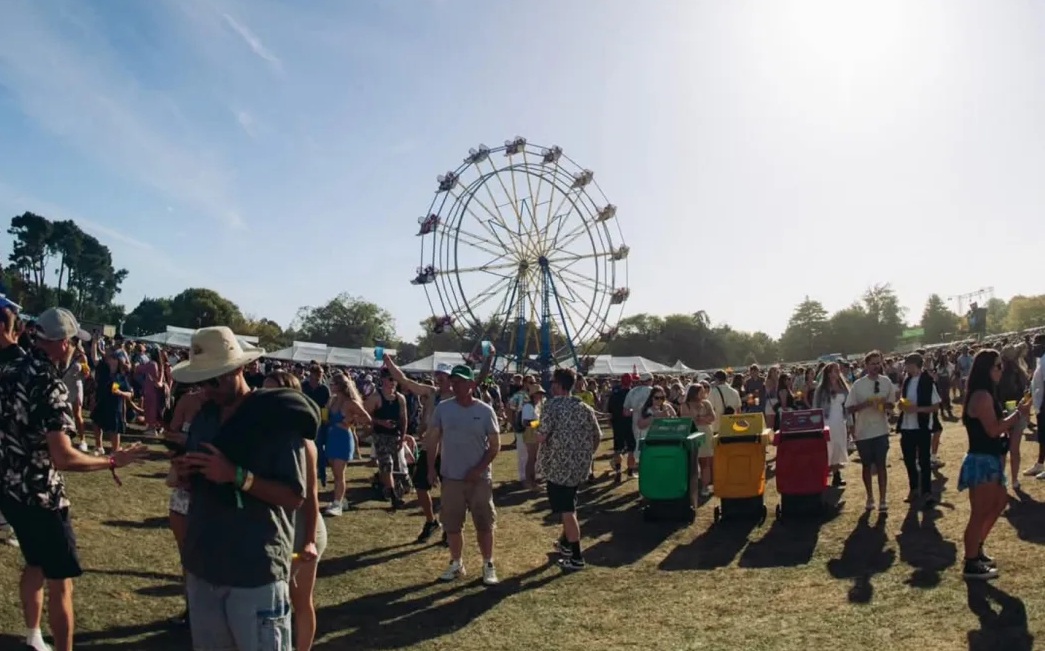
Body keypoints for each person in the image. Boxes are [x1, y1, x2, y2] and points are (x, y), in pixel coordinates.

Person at [0, 307, 147, 651]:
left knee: (34, 562)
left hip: (10, 488)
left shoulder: (8, 369)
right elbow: (63, 456)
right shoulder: (49, 383)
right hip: (41, 496)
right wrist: (112, 459)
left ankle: (34, 635)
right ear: (63, 342)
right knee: (61, 583)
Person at [170, 326, 318, 651]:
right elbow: (196, 481)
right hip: (204, 565)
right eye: (200, 381)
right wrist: (186, 474)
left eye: (215, 379)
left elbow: (295, 496)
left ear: (240, 369)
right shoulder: (204, 417)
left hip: (255, 570)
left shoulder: (276, 419)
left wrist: (238, 476)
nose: (207, 389)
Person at [263, 370, 327, 651]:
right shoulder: (263, 434)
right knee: (278, 599)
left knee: (299, 600)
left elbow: (312, 496)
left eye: (273, 392)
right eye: (263, 391)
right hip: (278, 527)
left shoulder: (303, 442)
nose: (266, 397)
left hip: (304, 527)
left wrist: (309, 540)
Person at [958, 348, 1031, 580]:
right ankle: (971, 562)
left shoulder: (985, 393)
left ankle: (977, 548)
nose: (1002, 369)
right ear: (986, 369)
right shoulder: (982, 396)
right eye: (998, 366)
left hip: (988, 458)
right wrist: (1018, 414)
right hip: (981, 460)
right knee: (978, 513)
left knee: (999, 502)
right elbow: (993, 430)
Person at [426, 365, 501, 585]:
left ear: (471, 384)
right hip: (451, 478)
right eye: (453, 381)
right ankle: (456, 562)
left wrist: (478, 469)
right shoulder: (443, 409)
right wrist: (431, 468)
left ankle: (488, 563)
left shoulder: (485, 410)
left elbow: (495, 446)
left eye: (460, 381)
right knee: (452, 525)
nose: (455, 385)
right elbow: (432, 440)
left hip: (479, 480)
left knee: (484, 523)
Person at [536, 368, 602, 571]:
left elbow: (542, 435)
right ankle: (565, 544)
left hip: (558, 466)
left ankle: (576, 556)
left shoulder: (551, 406)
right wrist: (586, 455)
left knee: (567, 510)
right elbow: (597, 435)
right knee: (570, 503)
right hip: (579, 467)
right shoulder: (584, 407)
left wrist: (531, 426)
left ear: (558, 385)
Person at [844, 350, 895, 512]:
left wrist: (883, 404)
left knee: (881, 465)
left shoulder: (886, 382)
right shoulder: (858, 385)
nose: (876, 366)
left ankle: (883, 499)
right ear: (866, 365)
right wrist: (865, 404)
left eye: (878, 363)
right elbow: (849, 408)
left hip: (881, 430)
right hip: (863, 432)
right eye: (872, 363)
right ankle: (870, 497)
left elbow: (891, 405)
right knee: (866, 466)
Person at [895, 353, 942, 508]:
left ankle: (927, 491)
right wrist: (902, 406)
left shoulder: (928, 381)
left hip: (922, 427)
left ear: (916, 365)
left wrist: (918, 409)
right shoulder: (907, 381)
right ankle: (914, 488)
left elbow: (935, 406)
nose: (907, 367)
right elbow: (904, 400)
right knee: (909, 459)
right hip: (907, 426)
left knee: (924, 460)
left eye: (909, 365)